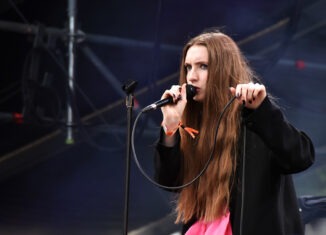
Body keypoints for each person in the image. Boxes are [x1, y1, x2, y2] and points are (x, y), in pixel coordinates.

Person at [154, 30, 315, 235]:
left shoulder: (255, 119)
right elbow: (169, 181)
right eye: (188, 68)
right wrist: (170, 127)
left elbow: (301, 157)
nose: (191, 77)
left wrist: (264, 112)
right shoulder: (193, 126)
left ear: (224, 69)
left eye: (203, 66)